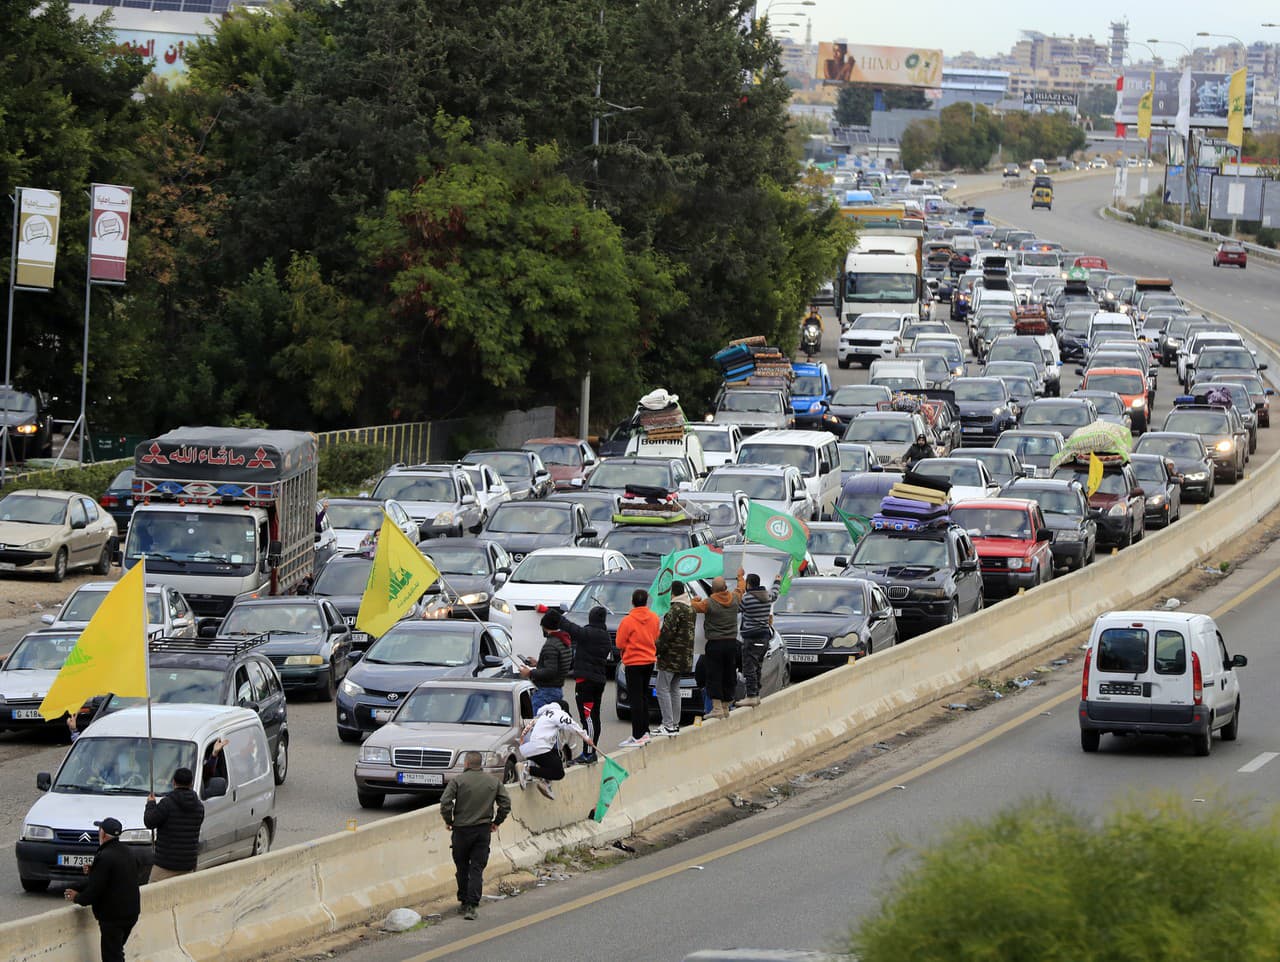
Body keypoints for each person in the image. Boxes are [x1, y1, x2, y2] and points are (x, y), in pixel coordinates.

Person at [440, 751, 510, 921]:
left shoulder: (458, 781)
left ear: (466, 764)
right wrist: (496, 822)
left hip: (461, 831)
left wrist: (449, 820)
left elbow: (445, 802)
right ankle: (472, 905)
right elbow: (506, 804)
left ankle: (463, 902)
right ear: (481, 764)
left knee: (462, 867)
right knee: (477, 868)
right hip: (482, 831)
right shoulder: (493, 781)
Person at [64, 817, 141, 962]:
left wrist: (76, 897)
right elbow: (127, 873)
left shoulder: (105, 857)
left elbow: (93, 892)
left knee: (112, 957)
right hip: (131, 914)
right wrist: (96, 871)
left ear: (103, 834)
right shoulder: (128, 852)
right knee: (117, 951)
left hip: (113, 917)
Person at [559, 605, 612, 764]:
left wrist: (550, 613)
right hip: (598, 682)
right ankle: (591, 750)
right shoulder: (605, 636)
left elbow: (569, 627)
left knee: (587, 718)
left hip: (586, 683)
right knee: (594, 717)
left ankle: (588, 754)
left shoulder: (588, 633)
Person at [692, 569, 746, 719]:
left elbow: (694, 607)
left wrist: (694, 600)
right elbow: (741, 588)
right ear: (725, 588)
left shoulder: (708, 603)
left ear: (713, 590)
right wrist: (740, 576)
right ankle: (726, 706)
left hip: (715, 645)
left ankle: (716, 708)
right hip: (731, 644)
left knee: (714, 676)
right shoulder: (735, 598)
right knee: (729, 674)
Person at [517, 701, 595, 800]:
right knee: (559, 772)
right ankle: (526, 770)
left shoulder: (542, 715)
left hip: (526, 748)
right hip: (538, 747)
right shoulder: (557, 713)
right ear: (563, 710)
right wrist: (587, 738)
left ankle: (544, 781)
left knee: (555, 754)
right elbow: (571, 724)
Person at [615, 588, 660, 747]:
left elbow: (619, 643)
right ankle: (645, 731)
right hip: (648, 661)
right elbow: (656, 637)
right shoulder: (654, 617)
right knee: (643, 696)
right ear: (646, 601)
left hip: (633, 662)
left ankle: (637, 734)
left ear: (633, 602)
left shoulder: (628, 621)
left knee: (635, 699)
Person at [144, 767, 205, 882]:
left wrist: (151, 804)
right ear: (191, 783)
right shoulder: (199, 807)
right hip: (188, 865)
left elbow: (149, 822)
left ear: (174, 782)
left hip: (164, 865)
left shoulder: (167, 804)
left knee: (153, 896)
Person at [654, 581, 695, 735]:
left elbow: (666, 634)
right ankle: (675, 724)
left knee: (662, 688)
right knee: (675, 689)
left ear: (672, 593)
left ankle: (667, 724)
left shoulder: (674, 610)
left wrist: (656, 650)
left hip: (671, 657)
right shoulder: (690, 609)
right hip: (685, 657)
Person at [519, 609, 574, 713]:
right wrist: (539, 663)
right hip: (557, 689)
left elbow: (550, 671)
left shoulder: (551, 644)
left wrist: (529, 672)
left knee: (538, 723)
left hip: (546, 692)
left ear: (545, 626)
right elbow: (559, 663)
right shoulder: (564, 641)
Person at [738, 572, 779, 707]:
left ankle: (751, 696)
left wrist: (740, 587)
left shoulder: (747, 598)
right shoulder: (767, 596)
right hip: (764, 637)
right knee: (757, 667)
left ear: (748, 584)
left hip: (751, 637)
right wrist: (777, 582)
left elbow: (737, 608)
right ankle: (756, 693)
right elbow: (775, 593)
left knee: (749, 668)